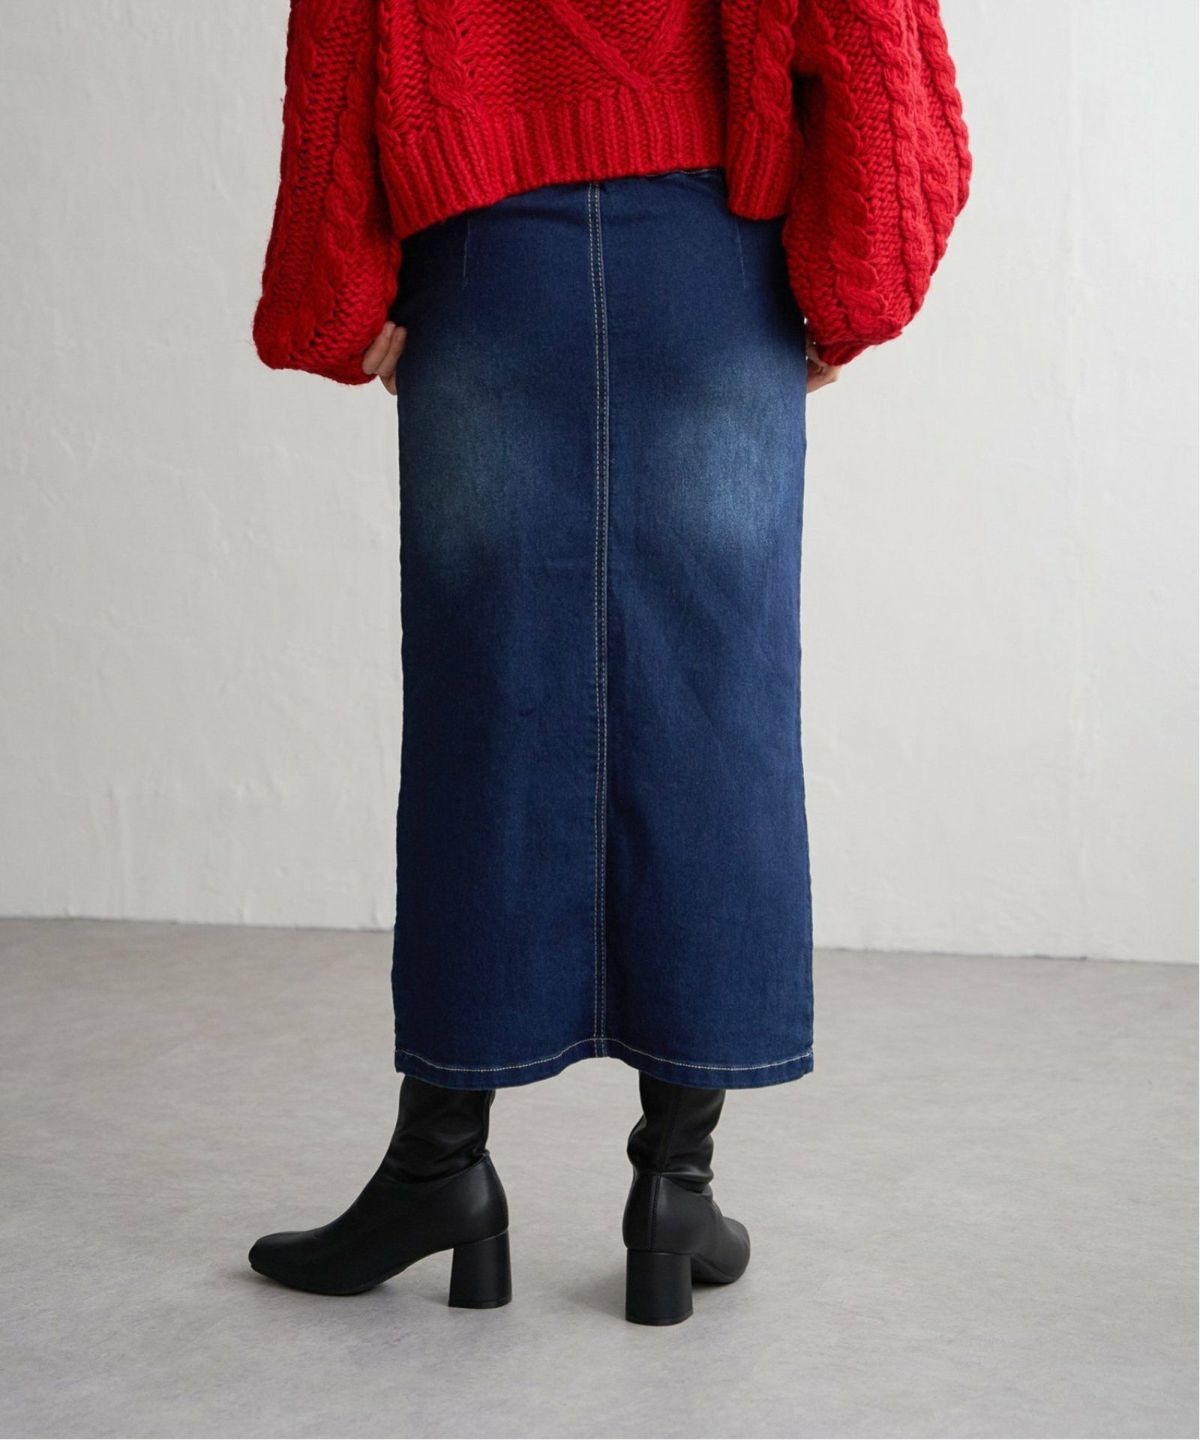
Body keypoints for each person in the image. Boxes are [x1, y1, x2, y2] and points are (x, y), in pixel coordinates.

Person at [247, 0, 970, 1326]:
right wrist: (855, 276)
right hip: (712, 257)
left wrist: (332, 287)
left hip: (486, 255)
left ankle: (439, 1169)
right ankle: (674, 1192)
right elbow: (865, 26)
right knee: (715, 704)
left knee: (484, 708)